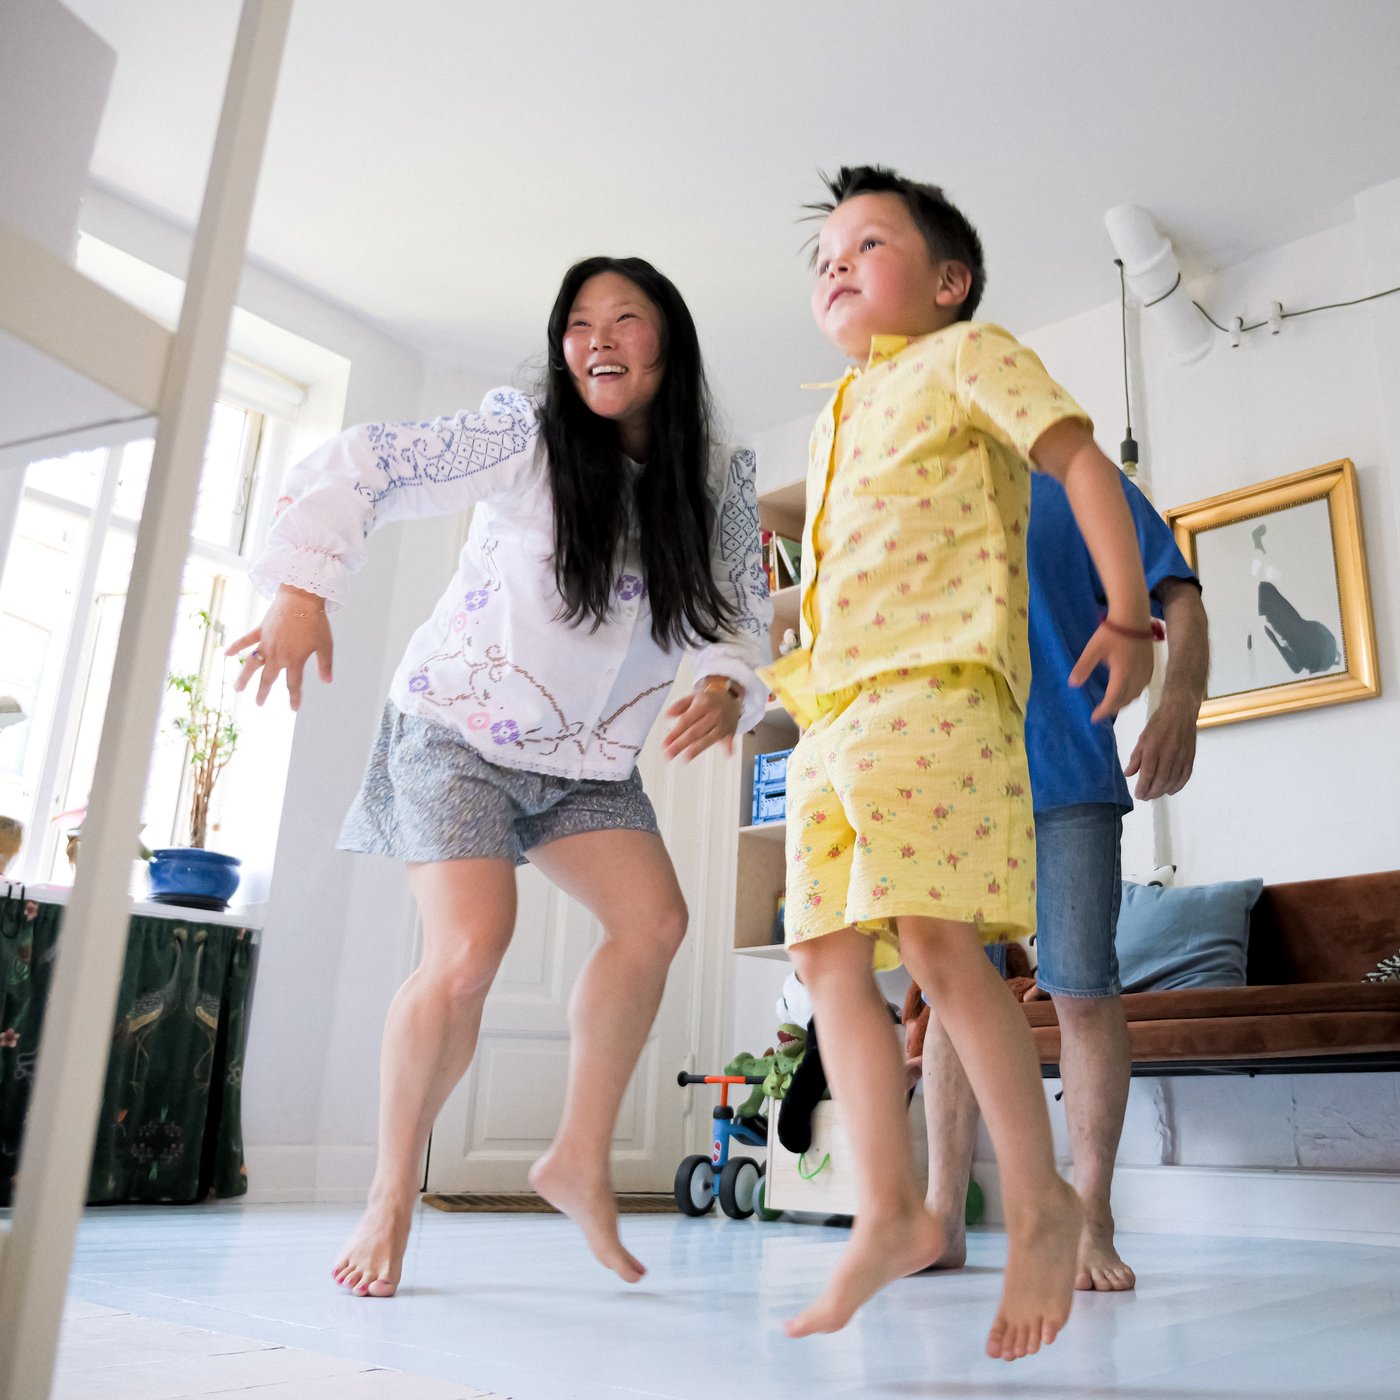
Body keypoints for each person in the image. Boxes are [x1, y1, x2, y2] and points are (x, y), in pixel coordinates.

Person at [230, 256, 772, 1298]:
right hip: (458, 730)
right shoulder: (522, 434)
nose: (596, 338)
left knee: (655, 922)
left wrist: (723, 683)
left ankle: (576, 1155)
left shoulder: (715, 479)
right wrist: (301, 588)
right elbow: (368, 460)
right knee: (472, 946)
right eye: (578, 322)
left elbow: (735, 608)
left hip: (585, 761)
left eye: (624, 318)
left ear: (668, 342)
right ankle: (390, 1193)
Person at [760, 165, 1156, 1359]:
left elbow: (1078, 462)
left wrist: (1125, 614)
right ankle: (888, 1206)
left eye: (866, 244)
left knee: (937, 943)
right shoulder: (835, 412)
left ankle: (1038, 1200)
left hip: (934, 692)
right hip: (830, 715)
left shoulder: (966, 355)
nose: (836, 264)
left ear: (947, 280)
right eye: (823, 255)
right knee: (825, 953)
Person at [919, 471, 1208, 1294]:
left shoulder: (1080, 481)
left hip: (1068, 773)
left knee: (1081, 991)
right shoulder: (919, 480)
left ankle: (1093, 1216)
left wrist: (1180, 703)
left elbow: (1180, 596)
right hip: (946, 781)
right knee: (953, 991)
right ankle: (942, 1216)